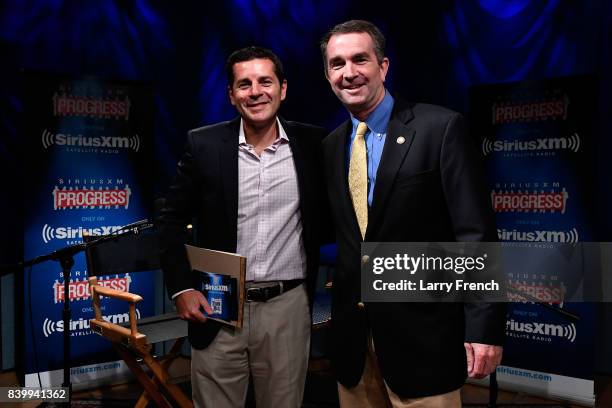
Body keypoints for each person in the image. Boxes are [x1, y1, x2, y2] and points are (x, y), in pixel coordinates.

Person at [320, 20, 506, 407]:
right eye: (337, 63)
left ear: (383, 66)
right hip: (354, 347)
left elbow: (475, 235)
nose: (348, 72)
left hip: (424, 341)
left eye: (360, 59)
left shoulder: (440, 128)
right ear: (327, 74)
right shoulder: (331, 146)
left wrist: (485, 327)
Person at [158, 46, 327, 408]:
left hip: (287, 305)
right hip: (217, 303)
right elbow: (169, 219)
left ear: (283, 89)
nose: (255, 92)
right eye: (244, 84)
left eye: (265, 81)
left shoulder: (314, 144)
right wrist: (181, 287)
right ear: (231, 95)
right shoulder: (203, 144)